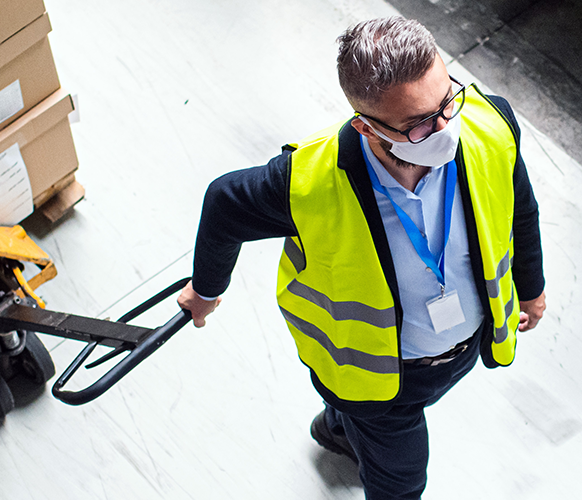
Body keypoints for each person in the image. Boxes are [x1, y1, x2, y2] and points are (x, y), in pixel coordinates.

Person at [175, 16, 548, 499]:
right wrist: (205, 290)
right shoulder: (307, 182)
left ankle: (337, 428)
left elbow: (521, 207)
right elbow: (224, 203)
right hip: (377, 379)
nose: (445, 127)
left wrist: (532, 288)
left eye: (447, 100)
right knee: (401, 483)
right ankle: (351, 422)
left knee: (363, 420)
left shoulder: (487, 125)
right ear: (367, 127)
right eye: (418, 124)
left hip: (465, 348)